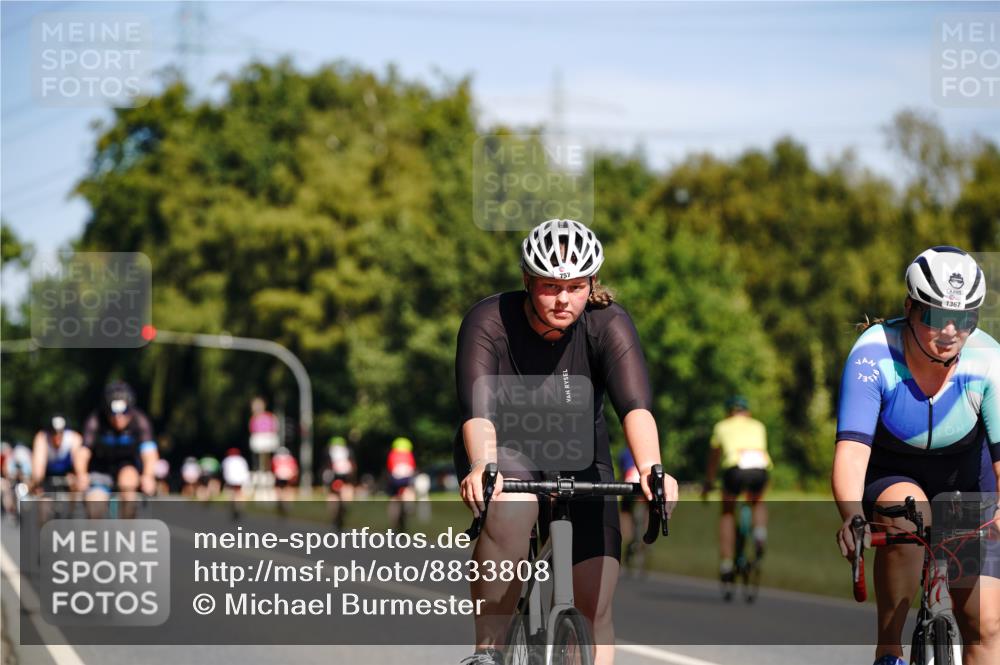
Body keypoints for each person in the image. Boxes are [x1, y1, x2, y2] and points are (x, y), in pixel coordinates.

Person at [454, 219, 679, 665]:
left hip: (581, 451)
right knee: (509, 512)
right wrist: (482, 464)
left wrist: (655, 469)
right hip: (504, 448)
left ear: (591, 284)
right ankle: (488, 651)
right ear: (527, 281)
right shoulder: (488, 320)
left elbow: (635, 407)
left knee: (595, 604)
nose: (563, 299)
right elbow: (477, 412)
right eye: (549, 286)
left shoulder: (608, 323)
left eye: (576, 287)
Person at [832, 246, 1000, 665]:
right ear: (909, 307)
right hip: (893, 472)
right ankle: (889, 647)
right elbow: (852, 453)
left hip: (964, 478)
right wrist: (851, 516)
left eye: (964, 319)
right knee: (912, 519)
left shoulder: (988, 360)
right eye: (934, 316)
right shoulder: (873, 353)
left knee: (986, 624)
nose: (949, 330)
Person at [702, 395, 771, 584]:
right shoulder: (758, 425)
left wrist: (708, 482)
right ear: (747, 412)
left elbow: (714, 459)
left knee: (727, 512)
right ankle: (759, 533)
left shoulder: (722, 426)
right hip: (759, 468)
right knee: (757, 501)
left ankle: (726, 563)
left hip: (735, 469)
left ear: (728, 412)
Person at [75, 381, 159, 517]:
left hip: (128, 465)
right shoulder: (96, 420)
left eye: (123, 412)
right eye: (112, 413)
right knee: (95, 504)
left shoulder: (140, 421)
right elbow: (83, 452)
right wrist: (81, 474)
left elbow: (149, 453)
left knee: (128, 488)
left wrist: (148, 476)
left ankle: (126, 533)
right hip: (100, 468)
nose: (118, 418)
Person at [31, 415, 83, 494]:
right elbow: (38, 473)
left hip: (68, 476)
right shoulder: (42, 438)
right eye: (54, 433)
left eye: (60, 432)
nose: (57, 436)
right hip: (47, 477)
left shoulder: (74, 438)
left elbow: (80, 470)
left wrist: (76, 479)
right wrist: (38, 483)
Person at [323, 436, 356, 530]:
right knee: (346, 496)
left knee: (332, 497)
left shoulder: (328, 451)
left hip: (332, 477)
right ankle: (343, 510)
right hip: (345, 478)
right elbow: (353, 466)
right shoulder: (348, 451)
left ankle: (334, 517)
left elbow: (325, 467)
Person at [387, 437, 417, 531]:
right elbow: (412, 470)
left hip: (394, 481)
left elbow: (389, 468)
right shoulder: (409, 455)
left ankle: (394, 521)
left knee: (394, 499)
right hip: (406, 481)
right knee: (409, 493)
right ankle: (409, 507)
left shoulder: (392, 454)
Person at [221, 448, 250, 519]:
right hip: (240, 479)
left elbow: (224, 471)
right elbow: (245, 470)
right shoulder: (242, 460)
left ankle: (233, 505)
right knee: (239, 493)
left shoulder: (227, 460)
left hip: (230, 479)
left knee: (231, 493)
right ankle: (239, 506)